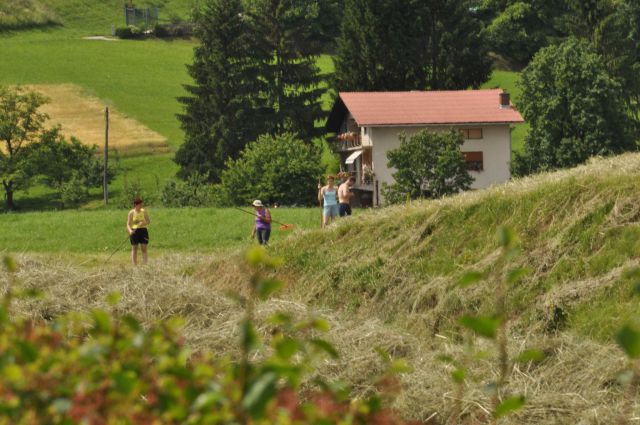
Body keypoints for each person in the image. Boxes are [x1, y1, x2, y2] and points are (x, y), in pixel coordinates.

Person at [127, 197, 150, 265]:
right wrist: (130, 231)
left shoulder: (144, 211)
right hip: (134, 231)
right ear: (135, 205)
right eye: (139, 205)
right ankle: (135, 265)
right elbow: (128, 224)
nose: (141, 206)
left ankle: (145, 264)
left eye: (141, 204)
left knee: (144, 248)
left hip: (143, 230)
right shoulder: (131, 213)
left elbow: (148, 221)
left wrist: (143, 223)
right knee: (134, 248)